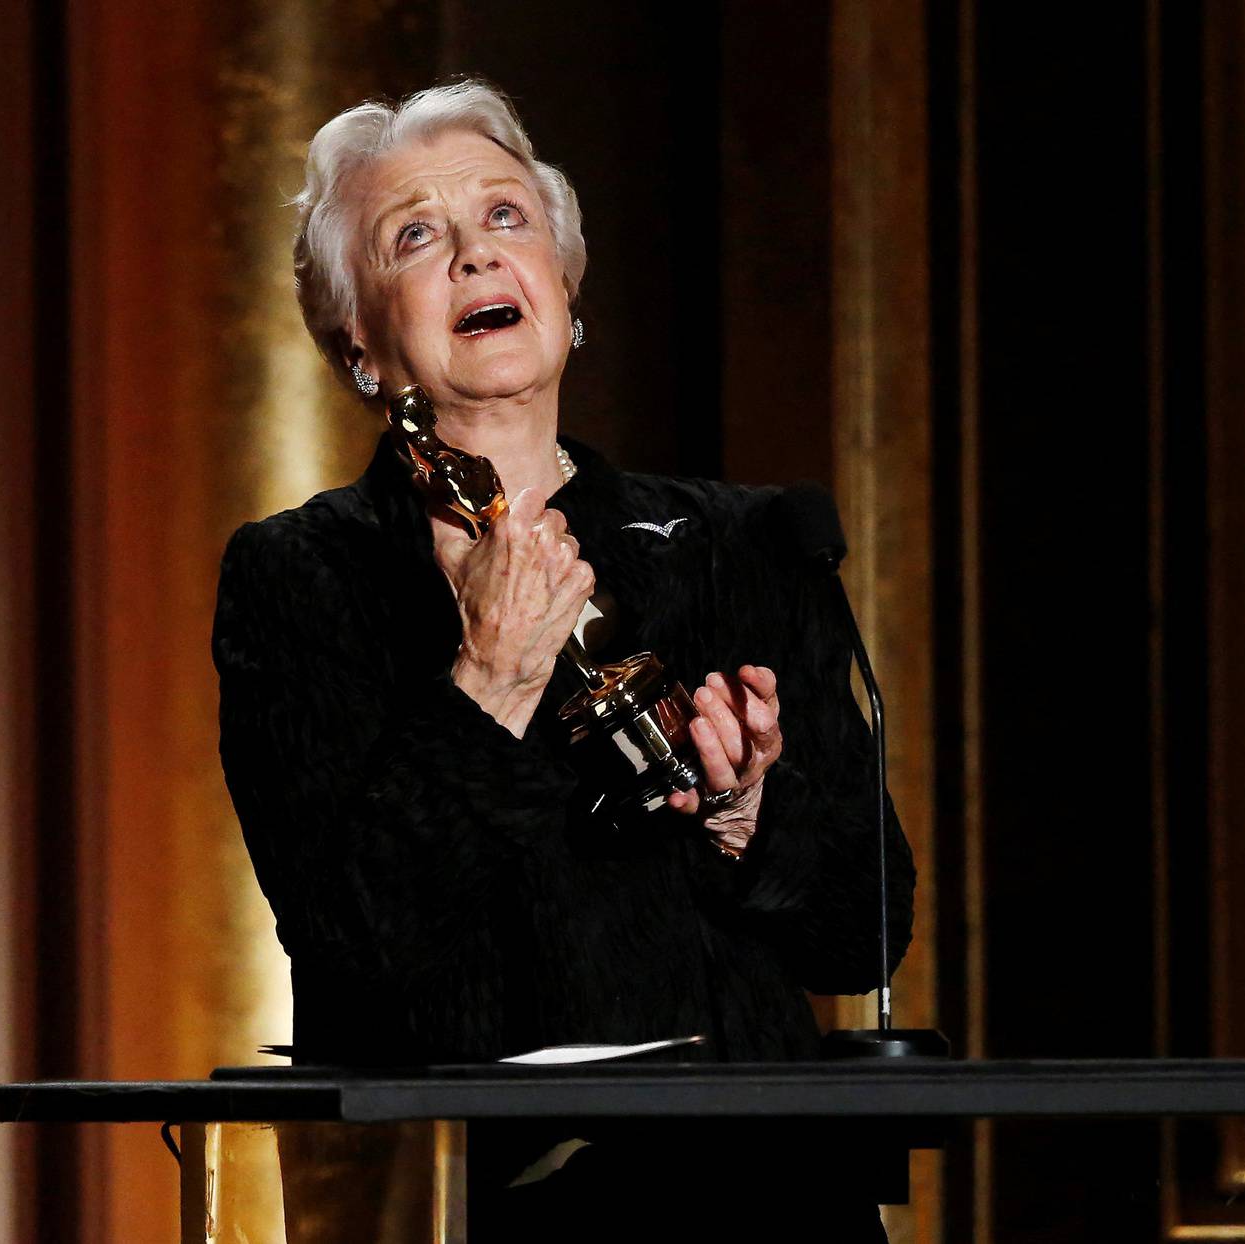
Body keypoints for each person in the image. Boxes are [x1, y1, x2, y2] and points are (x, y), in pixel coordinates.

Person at [210, 78, 913, 1240]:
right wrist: (488, 682)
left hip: (773, 1194)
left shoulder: (743, 544)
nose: (477, 259)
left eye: (505, 217)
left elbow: (863, 931)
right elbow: (351, 936)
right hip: (488, 1199)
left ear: (565, 284)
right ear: (361, 340)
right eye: (417, 237)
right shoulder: (304, 577)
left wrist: (745, 815)